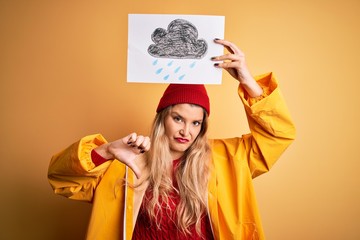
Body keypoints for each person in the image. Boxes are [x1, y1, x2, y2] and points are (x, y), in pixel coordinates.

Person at [48, 39, 296, 240]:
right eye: (178, 119)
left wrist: (248, 81)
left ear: (203, 126)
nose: (185, 131)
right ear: (162, 119)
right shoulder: (127, 160)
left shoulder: (229, 159)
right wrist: (108, 150)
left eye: (195, 122)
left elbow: (278, 135)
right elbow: (61, 178)